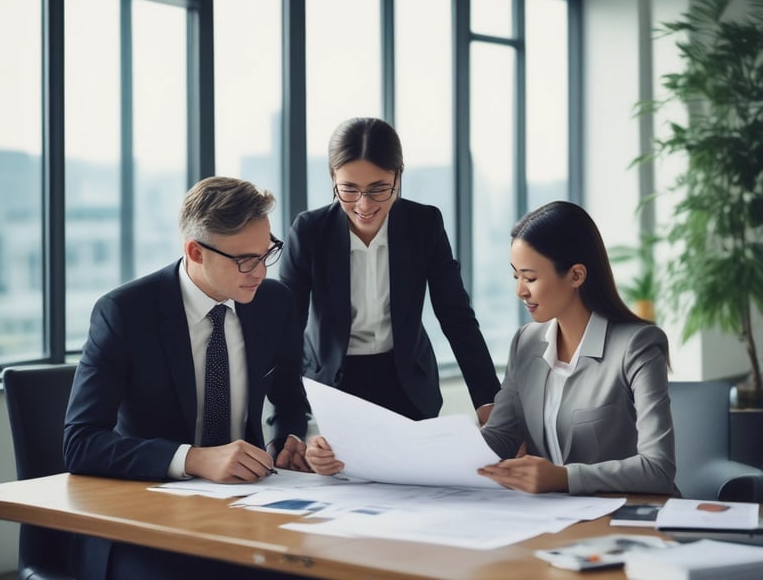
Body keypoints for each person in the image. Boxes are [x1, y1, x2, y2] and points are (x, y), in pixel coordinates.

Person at [307, 200, 678, 497]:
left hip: (629, 519)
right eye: (515, 276)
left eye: (530, 278)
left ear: (576, 275)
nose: (520, 291)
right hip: (555, 520)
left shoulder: (637, 345)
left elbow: (658, 468)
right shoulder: (527, 343)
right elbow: (498, 439)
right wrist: (359, 454)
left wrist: (562, 477)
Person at [64, 176, 311, 579]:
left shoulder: (273, 302)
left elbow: (289, 399)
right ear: (195, 251)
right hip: (146, 521)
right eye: (244, 260)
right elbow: (81, 442)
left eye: (266, 253)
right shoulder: (125, 312)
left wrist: (286, 444)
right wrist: (194, 459)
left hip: (247, 511)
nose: (260, 271)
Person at [279, 116, 500, 423]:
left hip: (407, 383)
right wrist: (288, 422)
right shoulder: (309, 231)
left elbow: (457, 317)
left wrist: (488, 400)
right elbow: (287, 332)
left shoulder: (424, 225)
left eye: (379, 188)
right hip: (334, 384)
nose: (364, 205)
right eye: (349, 189)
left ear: (398, 175)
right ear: (333, 177)